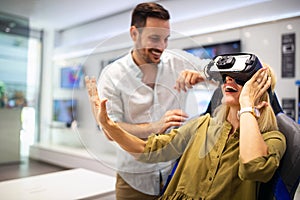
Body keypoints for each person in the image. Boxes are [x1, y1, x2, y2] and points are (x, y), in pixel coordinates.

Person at [86, 63, 286, 199]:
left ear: (260, 93)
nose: (229, 82)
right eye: (227, 77)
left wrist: (247, 106)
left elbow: (253, 166)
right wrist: (108, 124)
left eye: (240, 79)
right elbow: (148, 150)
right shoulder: (202, 125)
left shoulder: (273, 139)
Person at [88, 2, 210, 199]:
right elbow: (112, 131)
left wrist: (203, 76)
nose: (161, 47)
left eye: (166, 39)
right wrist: (155, 127)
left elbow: (224, 75)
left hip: (177, 175)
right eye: (154, 38)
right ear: (134, 33)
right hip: (134, 181)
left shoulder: (178, 62)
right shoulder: (112, 75)